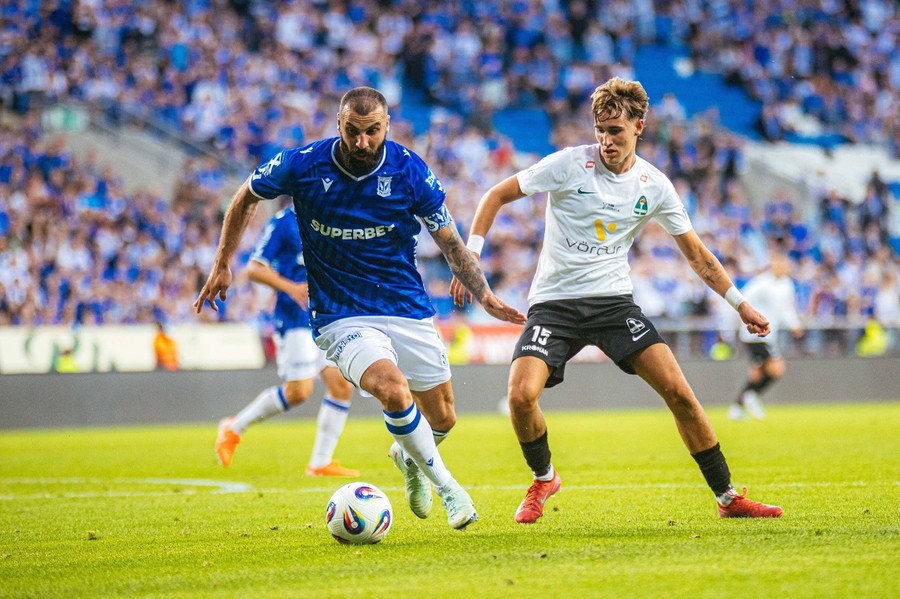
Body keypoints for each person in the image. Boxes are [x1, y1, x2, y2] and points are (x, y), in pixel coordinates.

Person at [451, 77, 783, 523]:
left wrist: (740, 304)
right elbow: (496, 195)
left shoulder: (654, 185)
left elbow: (698, 256)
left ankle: (727, 498)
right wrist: (471, 253)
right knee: (520, 396)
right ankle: (544, 477)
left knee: (680, 393)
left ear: (639, 127)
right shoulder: (569, 164)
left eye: (616, 131)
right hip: (555, 303)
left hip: (614, 304)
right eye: (600, 130)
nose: (606, 140)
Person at [195, 87, 525, 531]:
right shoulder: (302, 164)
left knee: (444, 415)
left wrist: (483, 294)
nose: (362, 142)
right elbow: (244, 196)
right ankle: (449, 488)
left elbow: (448, 240)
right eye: (353, 131)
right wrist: (222, 265)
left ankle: (408, 460)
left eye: (372, 132)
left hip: (404, 304)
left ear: (387, 126)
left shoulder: (410, 170)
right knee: (392, 389)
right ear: (339, 125)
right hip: (341, 314)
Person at [214, 204, 359, 477]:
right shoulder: (283, 222)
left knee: (341, 386)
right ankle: (234, 428)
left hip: (324, 316)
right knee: (299, 391)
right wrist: (291, 288)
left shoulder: (327, 215)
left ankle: (319, 462)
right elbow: (255, 269)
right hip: (294, 318)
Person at [729, 253, 803, 420]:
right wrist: (748, 322)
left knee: (756, 373)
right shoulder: (761, 283)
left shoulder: (787, 285)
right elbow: (743, 300)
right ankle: (750, 397)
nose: (781, 267)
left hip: (769, 335)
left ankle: (738, 407)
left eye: (784, 264)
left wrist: (794, 325)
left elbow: (786, 309)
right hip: (754, 335)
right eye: (778, 264)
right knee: (776, 369)